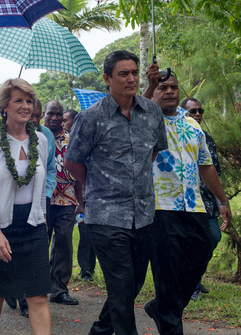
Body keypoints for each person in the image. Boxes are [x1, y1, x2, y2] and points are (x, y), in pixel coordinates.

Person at [64, 50, 168, 335]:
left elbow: (154, 151)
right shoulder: (91, 118)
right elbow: (72, 162)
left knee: (132, 285)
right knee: (121, 286)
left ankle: (100, 331)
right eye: (124, 74)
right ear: (107, 79)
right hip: (106, 217)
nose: (131, 79)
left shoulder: (152, 112)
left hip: (144, 214)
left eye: (135, 72)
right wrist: (100, 183)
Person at [143, 71, 232, 335]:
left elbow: (206, 165)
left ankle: (162, 307)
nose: (169, 91)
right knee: (167, 272)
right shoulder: (145, 120)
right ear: (154, 91)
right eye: (163, 87)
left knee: (203, 251)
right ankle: (171, 324)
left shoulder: (193, 125)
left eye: (173, 87)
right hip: (160, 207)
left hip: (194, 207)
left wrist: (222, 200)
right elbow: (133, 108)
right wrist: (147, 88)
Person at [0, 78, 51, 335]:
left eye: (29, 101)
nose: (25, 106)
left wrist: (41, 221)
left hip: (33, 225)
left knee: (38, 296)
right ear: (4, 106)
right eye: (18, 100)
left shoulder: (41, 141)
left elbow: (40, 187)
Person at [5, 99, 56, 317]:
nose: (34, 120)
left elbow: (50, 169)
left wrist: (42, 198)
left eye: (38, 116)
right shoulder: (0, 138)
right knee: (11, 255)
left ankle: (27, 301)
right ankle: (9, 287)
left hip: (37, 205)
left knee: (32, 258)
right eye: (31, 115)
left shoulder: (46, 138)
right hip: (9, 208)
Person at [181, 98, 223, 301]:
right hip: (187, 200)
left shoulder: (207, 138)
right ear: (183, 114)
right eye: (192, 111)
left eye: (200, 110)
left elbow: (215, 169)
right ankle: (192, 286)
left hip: (207, 200)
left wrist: (222, 200)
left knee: (214, 237)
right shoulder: (178, 136)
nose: (197, 114)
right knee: (193, 243)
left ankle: (194, 277)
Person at [44, 100, 83, 305]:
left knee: (64, 245)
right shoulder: (37, 137)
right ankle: (36, 288)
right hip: (42, 201)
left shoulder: (72, 139)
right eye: (51, 114)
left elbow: (79, 170)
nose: (55, 118)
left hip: (67, 201)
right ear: (44, 114)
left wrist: (81, 201)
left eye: (59, 114)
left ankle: (59, 290)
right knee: (40, 244)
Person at [63, 109, 96, 281]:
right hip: (72, 197)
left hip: (88, 194)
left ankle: (88, 270)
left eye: (66, 120)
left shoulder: (85, 141)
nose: (63, 123)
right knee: (80, 233)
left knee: (89, 234)